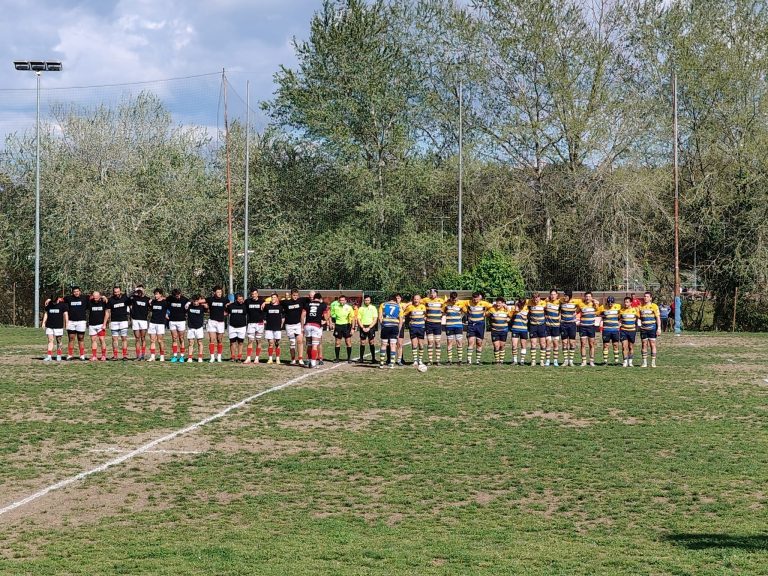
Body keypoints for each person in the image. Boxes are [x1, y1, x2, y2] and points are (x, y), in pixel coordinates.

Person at [302, 292, 329, 368]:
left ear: (313, 298)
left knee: (309, 345)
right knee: (315, 345)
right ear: (320, 299)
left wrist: (302, 326)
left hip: (307, 325)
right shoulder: (322, 305)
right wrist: (324, 320)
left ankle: (309, 361)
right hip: (316, 326)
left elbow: (302, 315)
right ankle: (313, 363)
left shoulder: (307, 304)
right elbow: (326, 316)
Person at [465, 292, 493, 364]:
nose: (475, 301)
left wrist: (486, 313)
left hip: (480, 324)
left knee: (479, 342)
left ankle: (478, 360)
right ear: (472, 298)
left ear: (479, 298)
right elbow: (459, 303)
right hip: (471, 324)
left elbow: (493, 306)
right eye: (474, 299)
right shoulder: (468, 302)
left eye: (477, 299)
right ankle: (469, 360)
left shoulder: (484, 303)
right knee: (470, 341)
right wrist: (466, 311)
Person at [106, 286, 131, 361]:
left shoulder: (125, 298)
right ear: (113, 292)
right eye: (115, 292)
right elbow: (108, 311)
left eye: (118, 292)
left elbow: (132, 303)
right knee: (114, 339)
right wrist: (107, 321)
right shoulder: (110, 300)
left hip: (123, 321)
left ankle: (124, 356)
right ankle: (115, 356)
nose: (116, 293)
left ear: (120, 291)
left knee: (124, 338)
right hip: (114, 322)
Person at [378, 294, 403, 368]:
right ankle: (392, 364)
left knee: (383, 345)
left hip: (386, 327)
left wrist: (383, 324)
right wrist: (398, 330)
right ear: (395, 299)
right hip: (394, 327)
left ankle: (381, 364)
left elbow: (380, 317)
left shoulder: (383, 305)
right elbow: (401, 320)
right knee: (393, 345)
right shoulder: (399, 306)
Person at [281, 289, 305, 365]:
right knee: (292, 342)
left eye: (297, 295)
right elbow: (276, 302)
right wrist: (264, 303)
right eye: (294, 295)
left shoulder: (301, 301)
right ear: (291, 295)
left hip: (298, 324)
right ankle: (293, 359)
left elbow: (311, 299)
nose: (295, 297)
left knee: (300, 341)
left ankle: (300, 359)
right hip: (289, 325)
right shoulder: (286, 302)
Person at [442, 292, 467, 364]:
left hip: (458, 326)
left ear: (457, 298)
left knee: (459, 342)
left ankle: (460, 360)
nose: (454, 301)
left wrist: (461, 317)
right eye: (453, 300)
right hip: (449, 326)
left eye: (455, 300)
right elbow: (442, 312)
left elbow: (465, 311)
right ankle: (449, 360)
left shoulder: (461, 304)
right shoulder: (446, 304)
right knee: (449, 342)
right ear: (450, 298)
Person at [42, 294, 68, 362]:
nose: (53, 303)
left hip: (58, 326)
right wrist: (43, 322)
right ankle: (49, 356)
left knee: (59, 341)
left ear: (58, 299)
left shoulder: (62, 305)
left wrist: (66, 323)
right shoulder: (49, 304)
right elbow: (46, 313)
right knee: (50, 340)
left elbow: (65, 314)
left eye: (55, 301)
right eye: (52, 301)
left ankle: (59, 355)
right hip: (49, 326)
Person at [64, 286, 88, 360]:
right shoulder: (68, 298)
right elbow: (58, 299)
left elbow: (96, 297)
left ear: (80, 291)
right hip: (71, 321)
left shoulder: (85, 298)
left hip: (81, 321)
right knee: (71, 338)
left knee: (81, 338)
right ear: (72, 292)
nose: (76, 293)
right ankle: (70, 354)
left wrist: (103, 297)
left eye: (77, 291)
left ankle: (82, 355)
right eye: (74, 292)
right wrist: (49, 299)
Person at [422, 288, 445, 365]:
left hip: (438, 324)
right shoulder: (425, 300)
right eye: (431, 293)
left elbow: (445, 308)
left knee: (437, 341)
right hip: (429, 324)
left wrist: (442, 315)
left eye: (434, 293)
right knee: (430, 341)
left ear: (436, 294)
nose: (432, 294)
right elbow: (417, 302)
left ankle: (438, 361)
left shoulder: (441, 301)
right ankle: (430, 360)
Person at [166, 288, 189, 363]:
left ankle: (182, 356)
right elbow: (164, 304)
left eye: (179, 295)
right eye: (176, 296)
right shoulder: (169, 298)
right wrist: (166, 313)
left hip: (181, 321)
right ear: (173, 295)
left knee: (181, 338)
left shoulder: (185, 299)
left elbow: (190, 303)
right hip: (172, 321)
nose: (178, 297)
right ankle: (175, 356)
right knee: (174, 338)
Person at [639, 291, 661, 368]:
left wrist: (659, 328)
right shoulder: (640, 306)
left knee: (652, 344)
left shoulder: (654, 306)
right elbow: (638, 317)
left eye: (647, 296)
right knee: (644, 344)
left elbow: (658, 317)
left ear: (651, 298)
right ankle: (644, 362)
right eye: (644, 296)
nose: (645, 298)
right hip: (643, 328)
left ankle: (653, 362)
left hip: (652, 328)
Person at [403, 294, 426, 365]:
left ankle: (420, 360)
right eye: (415, 299)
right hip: (413, 327)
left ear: (420, 300)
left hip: (421, 327)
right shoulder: (410, 307)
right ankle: (415, 361)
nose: (416, 300)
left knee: (421, 344)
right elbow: (404, 314)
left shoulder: (423, 307)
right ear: (413, 300)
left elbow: (425, 315)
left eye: (417, 299)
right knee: (414, 344)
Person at [331, 294, 355, 363]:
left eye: (343, 300)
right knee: (337, 342)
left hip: (346, 326)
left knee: (348, 342)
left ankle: (349, 358)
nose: (342, 301)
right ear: (338, 301)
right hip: (338, 326)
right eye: (340, 300)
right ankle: (337, 358)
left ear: (345, 301)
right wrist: (332, 324)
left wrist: (353, 328)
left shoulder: (349, 307)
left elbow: (353, 318)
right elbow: (332, 316)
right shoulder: (335, 307)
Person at [206, 286, 228, 363]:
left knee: (219, 340)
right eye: (218, 292)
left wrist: (227, 312)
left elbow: (230, 305)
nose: (219, 293)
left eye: (220, 292)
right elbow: (200, 301)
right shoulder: (210, 299)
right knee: (212, 339)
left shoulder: (224, 299)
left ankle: (219, 357)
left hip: (220, 322)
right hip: (212, 321)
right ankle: (212, 357)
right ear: (214, 292)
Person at [559, 290, 580, 367]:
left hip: (572, 324)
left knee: (572, 343)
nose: (565, 297)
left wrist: (576, 312)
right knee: (564, 343)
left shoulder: (576, 301)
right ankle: (565, 360)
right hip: (563, 324)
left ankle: (571, 361)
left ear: (570, 296)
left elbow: (581, 306)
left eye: (566, 296)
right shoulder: (561, 301)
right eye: (564, 296)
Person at [128, 285, 150, 361]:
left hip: (143, 320)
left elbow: (151, 306)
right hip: (135, 320)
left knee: (143, 338)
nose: (139, 291)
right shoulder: (134, 297)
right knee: (137, 338)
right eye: (138, 290)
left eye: (141, 290)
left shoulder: (147, 299)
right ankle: (138, 356)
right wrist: (134, 290)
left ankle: (143, 355)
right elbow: (127, 298)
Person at [487, 297, 511, 365]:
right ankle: (497, 361)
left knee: (502, 346)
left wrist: (509, 318)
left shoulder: (506, 309)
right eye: (497, 303)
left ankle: (501, 361)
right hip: (495, 330)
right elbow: (486, 314)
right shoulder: (492, 309)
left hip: (504, 330)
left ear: (503, 304)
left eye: (499, 303)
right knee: (496, 346)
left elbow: (511, 315)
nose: (498, 304)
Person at [599, 296, 622, 365]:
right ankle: (605, 361)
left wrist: (620, 322)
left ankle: (616, 361)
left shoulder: (618, 307)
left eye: (611, 303)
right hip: (606, 330)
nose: (610, 304)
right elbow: (599, 314)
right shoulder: (602, 307)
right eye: (609, 303)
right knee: (606, 345)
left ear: (614, 302)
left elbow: (622, 314)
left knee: (615, 345)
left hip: (615, 330)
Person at [244, 289, 266, 364]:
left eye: (255, 294)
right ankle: (248, 358)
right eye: (252, 294)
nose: (254, 295)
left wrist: (265, 302)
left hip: (259, 323)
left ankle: (257, 358)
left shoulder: (262, 301)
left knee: (258, 340)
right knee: (250, 340)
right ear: (251, 294)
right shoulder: (247, 301)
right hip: (251, 323)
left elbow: (275, 301)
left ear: (257, 294)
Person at [577, 292, 599, 367]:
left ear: (591, 297)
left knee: (591, 344)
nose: (587, 298)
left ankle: (591, 361)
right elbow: (576, 312)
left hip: (591, 327)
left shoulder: (594, 304)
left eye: (589, 296)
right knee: (583, 344)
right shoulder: (581, 304)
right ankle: (584, 361)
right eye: (586, 296)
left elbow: (597, 307)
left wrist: (594, 301)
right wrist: (577, 320)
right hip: (583, 327)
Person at [262, 293, 285, 364]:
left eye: (274, 297)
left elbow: (283, 316)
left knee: (277, 343)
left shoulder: (280, 307)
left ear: (277, 298)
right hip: (269, 327)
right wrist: (264, 320)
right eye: (272, 297)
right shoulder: (267, 306)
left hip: (277, 327)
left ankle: (278, 359)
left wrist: (282, 324)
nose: (273, 299)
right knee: (270, 343)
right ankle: (270, 358)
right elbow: (264, 314)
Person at [226, 293, 248, 362]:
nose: (241, 300)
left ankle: (239, 357)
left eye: (242, 299)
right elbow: (225, 312)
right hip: (232, 326)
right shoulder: (231, 306)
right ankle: (232, 357)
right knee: (232, 342)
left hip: (242, 327)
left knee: (240, 342)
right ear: (236, 299)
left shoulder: (245, 306)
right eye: (239, 299)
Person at [527, 292, 547, 366]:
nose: (535, 299)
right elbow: (519, 301)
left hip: (541, 325)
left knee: (543, 343)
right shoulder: (529, 302)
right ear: (532, 298)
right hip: (533, 326)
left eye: (537, 297)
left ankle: (542, 361)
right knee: (533, 343)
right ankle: (533, 361)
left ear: (539, 297)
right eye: (534, 298)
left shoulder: (544, 303)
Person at [147, 288, 167, 362]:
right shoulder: (153, 302)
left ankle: (162, 356)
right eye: (155, 294)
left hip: (160, 324)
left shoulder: (165, 302)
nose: (155, 295)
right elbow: (150, 308)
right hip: (152, 322)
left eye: (157, 294)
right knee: (152, 340)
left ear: (160, 294)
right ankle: (152, 356)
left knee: (160, 340)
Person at [87, 290, 108, 361]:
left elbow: (108, 310)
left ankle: (103, 356)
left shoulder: (103, 302)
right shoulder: (90, 302)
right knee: (93, 340)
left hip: (101, 325)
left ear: (99, 296)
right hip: (92, 325)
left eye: (97, 297)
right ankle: (94, 356)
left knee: (102, 339)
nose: (95, 298)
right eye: (94, 297)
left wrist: (105, 324)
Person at [356, 294, 378, 363]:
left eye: (368, 300)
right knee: (362, 342)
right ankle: (361, 358)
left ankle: (373, 358)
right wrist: (362, 327)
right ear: (364, 300)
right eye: (365, 300)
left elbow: (375, 319)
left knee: (371, 342)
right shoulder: (361, 308)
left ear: (370, 300)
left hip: (370, 327)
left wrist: (369, 327)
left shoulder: (373, 308)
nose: (367, 301)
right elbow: (358, 319)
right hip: (363, 326)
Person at [619, 296, 639, 367]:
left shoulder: (635, 310)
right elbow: (620, 319)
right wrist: (619, 324)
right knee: (624, 346)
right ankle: (625, 361)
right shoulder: (621, 310)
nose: (626, 303)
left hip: (632, 331)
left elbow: (639, 317)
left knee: (631, 347)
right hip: (623, 330)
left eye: (627, 302)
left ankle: (630, 362)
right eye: (625, 302)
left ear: (631, 303)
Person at [186, 294, 207, 363]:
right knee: (190, 343)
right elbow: (184, 307)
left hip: (199, 327)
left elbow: (208, 307)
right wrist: (188, 303)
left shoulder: (202, 307)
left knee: (200, 342)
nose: (195, 302)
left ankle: (200, 357)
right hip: (191, 327)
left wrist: (205, 305)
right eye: (194, 301)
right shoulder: (189, 306)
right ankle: (190, 358)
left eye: (197, 301)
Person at [544, 289, 562, 367]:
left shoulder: (560, 302)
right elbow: (541, 307)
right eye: (551, 294)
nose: (553, 296)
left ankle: (555, 361)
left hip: (556, 326)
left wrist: (560, 317)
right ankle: (547, 360)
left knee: (555, 343)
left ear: (557, 295)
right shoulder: (546, 302)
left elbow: (562, 311)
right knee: (548, 343)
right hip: (548, 326)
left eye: (554, 294)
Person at [510, 299, 529, 365]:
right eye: (520, 304)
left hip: (524, 329)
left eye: (523, 304)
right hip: (515, 329)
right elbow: (509, 316)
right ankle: (515, 360)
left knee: (523, 345)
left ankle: (522, 361)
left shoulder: (527, 308)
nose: (521, 305)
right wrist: (515, 309)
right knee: (514, 345)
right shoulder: (514, 308)